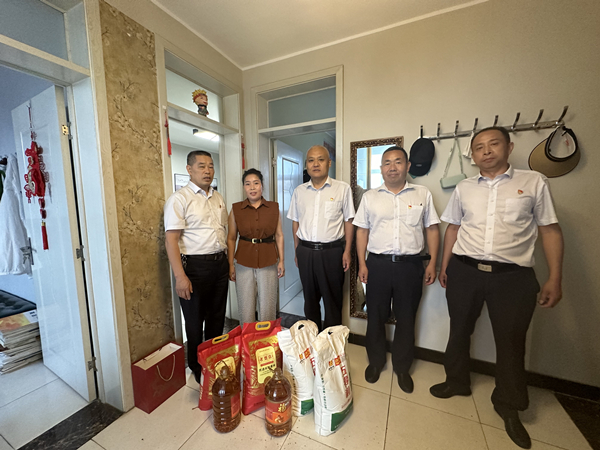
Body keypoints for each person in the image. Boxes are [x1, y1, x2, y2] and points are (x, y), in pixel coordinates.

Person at [430, 127, 564, 449]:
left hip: (513, 276)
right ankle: (457, 381)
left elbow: (550, 230)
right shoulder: (464, 188)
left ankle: (508, 403)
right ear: (473, 155)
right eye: (479, 147)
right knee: (459, 330)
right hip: (465, 270)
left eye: (493, 144)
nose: (486, 151)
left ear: (509, 147)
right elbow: (453, 228)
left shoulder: (533, 182)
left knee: (511, 341)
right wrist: (445, 266)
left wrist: (555, 277)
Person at [354, 146, 440, 393]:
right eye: (387, 163)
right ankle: (376, 362)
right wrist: (362, 263)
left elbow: (432, 229)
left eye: (398, 162)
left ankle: (402, 367)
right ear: (381, 168)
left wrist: (432, 263)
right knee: (375, 316)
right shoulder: (370, 197)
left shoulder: (422, 194)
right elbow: (362, 231)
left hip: (410, 266)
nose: (392, 167)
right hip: (378, 265)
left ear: (408, 166)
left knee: (406, 318)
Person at [164, 150, 228, 383]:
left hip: (219, 265)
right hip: (194, 268)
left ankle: (214, 360)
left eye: (210, 166)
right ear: (189, 169)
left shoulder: (218, 197)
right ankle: (197, 366)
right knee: (194, 321)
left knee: (217, 318)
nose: (207, 171)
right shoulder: (179, 199)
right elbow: (171, 240)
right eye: (201, 166)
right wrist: (180, 277)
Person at [287, 145, 355, 331]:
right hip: (305, 251)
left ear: (329, 163)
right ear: (306, 164)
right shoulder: (299, 191)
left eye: (321, 159)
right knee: (310, 301)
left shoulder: (342, 189)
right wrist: (297, 251)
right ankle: (312, 340)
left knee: (333, 301)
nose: (315, 164)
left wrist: (347, 251)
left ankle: (331, 344)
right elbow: (295, 223)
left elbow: (349, 221)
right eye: (311, 160)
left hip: (332, 252)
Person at [227, 168, 285, 324]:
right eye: (248, 184)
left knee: (268, 308)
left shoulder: (273, 208)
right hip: (243, 262)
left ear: (262, 185)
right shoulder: (236, 209)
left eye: (256, 183)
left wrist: (281, 261)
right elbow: (231, 238)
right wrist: (231, 264)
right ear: (244, 187)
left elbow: (279, 235)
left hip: (268, 261)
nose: (252, 187)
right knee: (245, 308)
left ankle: (266, 338)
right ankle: (247, 338)